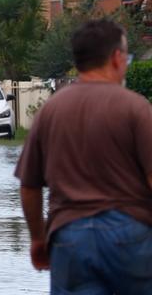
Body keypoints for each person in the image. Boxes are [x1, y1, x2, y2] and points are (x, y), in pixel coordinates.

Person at [15, 19, 152, 294]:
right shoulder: (137, 108)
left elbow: (29, 186)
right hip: (130, 234)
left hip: (70, 235)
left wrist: (38, 239)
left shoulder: (50, 111)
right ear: (116, 58)